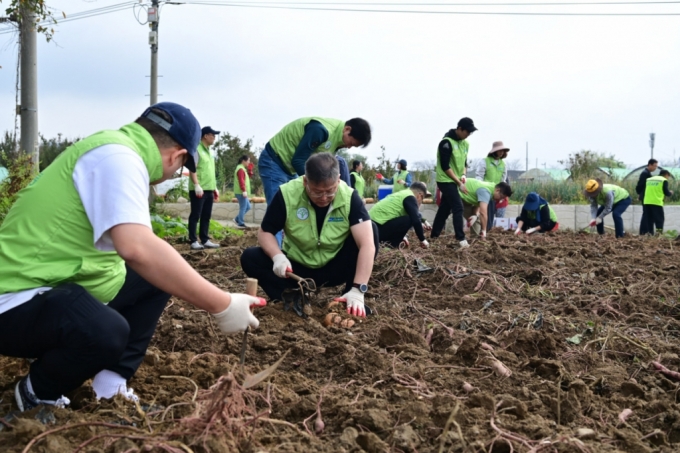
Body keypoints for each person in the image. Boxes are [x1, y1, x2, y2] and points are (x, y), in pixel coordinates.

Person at [0, 103, 265, 412]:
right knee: (106, 330)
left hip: (50, 283)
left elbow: (147, 256)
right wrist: (222, 304)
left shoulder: (115, 150)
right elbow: (137, 248)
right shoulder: (119, 159)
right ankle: (37, 393)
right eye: (179, 169)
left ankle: (109, 387)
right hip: (14, 300)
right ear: (178, 156)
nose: (173, 174)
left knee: (156, 279)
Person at [241, 153, 378, 318]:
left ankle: (350, 298)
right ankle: (291, 297)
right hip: (297, 268)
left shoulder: (349, 197)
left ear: (339, 179)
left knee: (372, 230)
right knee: (250, 257)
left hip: (334, 266)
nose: (324, 198)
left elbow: (367, 245)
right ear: (305, 181)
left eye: (330, 191)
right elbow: (265, 232)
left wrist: (358, 289)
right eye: (317, 192)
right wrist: (277, 256)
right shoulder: (287, 194)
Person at [259, 117, 371, 246]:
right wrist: (314, 184)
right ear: (347, 129)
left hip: (291, 168)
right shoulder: (320, 130)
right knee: (278, 212)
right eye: (351, 143)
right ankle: (276, 258)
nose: (349, 147)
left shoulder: (336, 143)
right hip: (275, 161)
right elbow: (298, 160)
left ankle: (293, 251)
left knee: (296, 211)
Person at [430, 117, 477, 248]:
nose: (468, 135)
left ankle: (434, 236)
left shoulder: (465, 144)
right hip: (445, 180)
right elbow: (445, 167)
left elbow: (464, 163)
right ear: (459, 129)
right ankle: (461, 238)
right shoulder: (446, 143)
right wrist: (459, 183)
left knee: (444, 209)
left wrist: (463, 175)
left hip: (455, 179)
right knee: (458, 206)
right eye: (467, 132)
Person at [370, 181, 431, 249]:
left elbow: (397, 216)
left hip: (371, 227)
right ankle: (391, 246)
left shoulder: (402, 194)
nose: (420, 203)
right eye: (422, 199)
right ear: (420, 195)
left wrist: (403, 236)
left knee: (409, 217)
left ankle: (389, 243)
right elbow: (416, 220)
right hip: (377, 230)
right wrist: (423, 240)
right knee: (410, 219)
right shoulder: (410, 197)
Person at [188, 126, 221, 250]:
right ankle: (193, 240)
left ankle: (205, 239)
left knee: (206, 215)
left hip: (209, 188)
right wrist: (196, 184)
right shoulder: (197, 149)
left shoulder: (209, 152)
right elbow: (193, 168)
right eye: (213, 135)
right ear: (205, 136)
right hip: (199, 189)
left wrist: (215, 187)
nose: (214, 138)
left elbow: (209, 171)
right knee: (196, 215)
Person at [477, 141, 509, 230]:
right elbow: (479, 177)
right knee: (486, 212)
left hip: (497, 193)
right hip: (486, 192)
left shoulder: (503, 164)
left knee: (491, 213)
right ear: (494, 151)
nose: (501, 152)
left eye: (503, 150)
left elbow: (503, 179)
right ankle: (484, 230)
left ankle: (487, 230)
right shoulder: (485, 161)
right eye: (499, 150)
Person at [643, 169, 673, 235]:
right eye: (668, 176)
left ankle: (650, 233)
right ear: (666, 174)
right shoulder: (663, 180)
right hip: (656, 202)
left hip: (647, 202)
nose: (668, 178)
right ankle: (659, 234)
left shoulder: (649, 179)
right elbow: (666, 192)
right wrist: (670, 193)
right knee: (659, 219)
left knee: (649, 219)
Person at [636, 159, 659, 235]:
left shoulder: (647, 173)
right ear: (650, 165)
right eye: (654, 166)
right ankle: (644, 232)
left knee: (648, 214)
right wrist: (639, 193)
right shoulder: (645, 173)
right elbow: (640, 185)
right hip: (645, 196)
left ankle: (648, 231)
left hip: (647, 196)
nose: (655, 168)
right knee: (646, 214)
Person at [234, 155, 252, 228]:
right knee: (243, 207)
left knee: (248, 206)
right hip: (241, 192)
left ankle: (237, 219)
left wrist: (250, 171)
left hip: (242, 192)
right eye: (248, 160)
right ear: (243, 161)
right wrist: (244, 190)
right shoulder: (240, 169)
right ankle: (240, 223)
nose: (249, 162)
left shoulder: (242, 169)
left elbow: (246, 179)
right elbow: (241, 180)